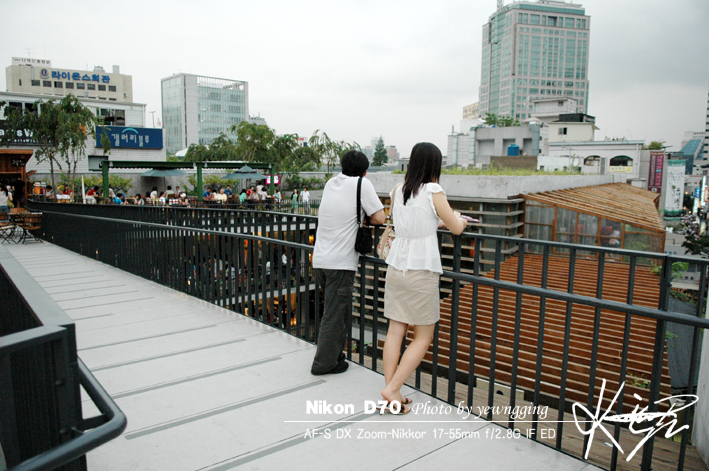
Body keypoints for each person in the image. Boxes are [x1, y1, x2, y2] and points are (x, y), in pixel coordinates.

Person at [380, 142, 467, 414]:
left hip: (397, 267)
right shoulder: (433, 190)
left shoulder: (398, 189)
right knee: (423, 335)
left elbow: (406, 221)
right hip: (421, 269)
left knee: (396, 330)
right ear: (434, 165)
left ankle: (392, 394)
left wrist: (434, 221)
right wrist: (461, 220)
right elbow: (456, 228)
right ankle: (393, 389)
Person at [310, 150, 385, 375]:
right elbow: (380, 217)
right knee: (334, 315)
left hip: (321, 259)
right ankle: (323, 364)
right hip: (340, 263)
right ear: (364, 171)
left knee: (338, 311)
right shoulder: (362, 184)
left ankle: (336, 356)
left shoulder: (331, 183)